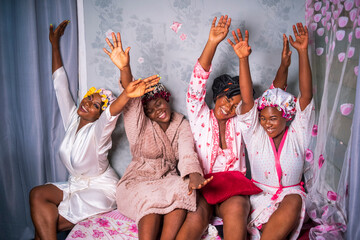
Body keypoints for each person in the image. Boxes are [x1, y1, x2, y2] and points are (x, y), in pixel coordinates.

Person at [29, 20, 159, 240]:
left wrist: (126, 93)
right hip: (75, 185)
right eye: (89, 98)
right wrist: (54, 44)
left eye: (95, 105)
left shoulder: (99, 132)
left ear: (99, 114)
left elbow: (112, 114)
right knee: (37, 195)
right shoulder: (72, 118)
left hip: (100, 191)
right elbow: (60, 85)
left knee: (44, 225)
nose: (88, 103)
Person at [178, 15, 291, 240]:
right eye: (226, 99)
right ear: (217, 95)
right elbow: (197, 83)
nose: (229, 107)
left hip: (233, 186)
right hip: (203, 184)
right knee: (194, 218)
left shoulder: (241, 122)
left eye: (235, 104)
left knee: (238, 210)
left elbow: (272, 97)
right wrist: (212, 42)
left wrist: (284, 66)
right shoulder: (199, 115)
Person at [103, 32, 212, 240]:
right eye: (150, 110)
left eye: (159, 104)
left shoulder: (181, 123)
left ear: (166, 98)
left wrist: (194, 174)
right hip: (138, 181)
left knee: (183, 190)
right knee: (150, 203)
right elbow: (133, 102)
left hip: (166, 178)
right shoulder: (139, 123)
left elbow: (187, 152)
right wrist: (125, 68)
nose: (157, 112)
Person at [229, 23, 314, 240]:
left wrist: (302, 52)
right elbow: (248, 101)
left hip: (289, 200)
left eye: (273, 119)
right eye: (263, 118)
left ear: (286, 117)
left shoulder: (298, 133)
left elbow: (305, 96)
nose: (267, 123)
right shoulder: (255, 134)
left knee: (294, 199)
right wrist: (243, 59)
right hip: (260, 199)